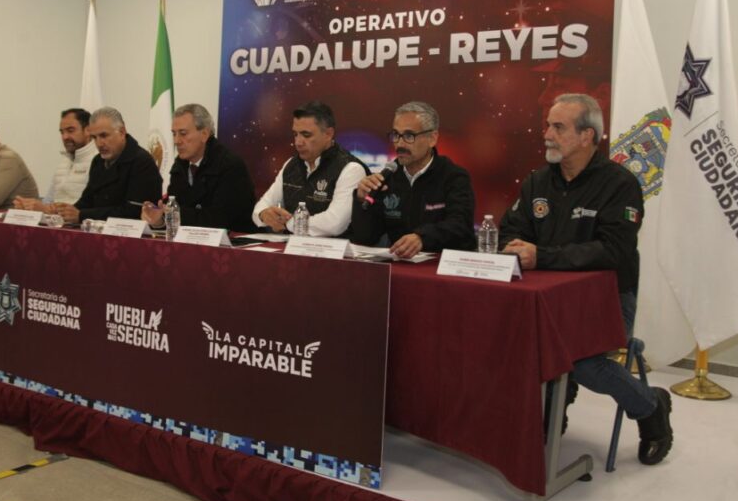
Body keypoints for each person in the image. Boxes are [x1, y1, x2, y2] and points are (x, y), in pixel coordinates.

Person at [499, 93, 673, 465]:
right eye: (548, 125)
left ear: (586, 136)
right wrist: (513, 247)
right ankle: (554, 404)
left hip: (608, 298)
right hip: (546, 297)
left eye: (558, 127)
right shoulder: (537, 181)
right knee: (512, 342)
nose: (547, 134)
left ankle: (651, 407)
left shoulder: (620, 184)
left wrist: (542, 256)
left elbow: (613, 251)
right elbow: (510, 229)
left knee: (582, 362)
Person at [350, 101, 475, 257]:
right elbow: (365, 238)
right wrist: (361, 200)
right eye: (396, 135)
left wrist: (422, 238)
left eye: (409, 135)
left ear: (432, 138)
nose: (399, 143)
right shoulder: (388, 176)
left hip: (443, 265)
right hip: (399, 265)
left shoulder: (454, 176)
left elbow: (460, 226)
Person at [252, 101, 367, 237]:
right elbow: (260, 208)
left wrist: (288, 223)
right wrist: (264, 215)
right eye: (295, 134)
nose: (298, 142)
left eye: (306, 135)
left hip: (336, 249)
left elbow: (335, 224)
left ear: (328, 134)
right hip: (293, 246)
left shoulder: (351, 169)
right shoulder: (291, 164)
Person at [140, 103, 256, 233]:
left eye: (183, 133)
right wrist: (158, 219)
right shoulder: (180, 165)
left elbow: (220, 219)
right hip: (193, 239)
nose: (176, 141)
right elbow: (173, 204)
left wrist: (174, 213)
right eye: (174, 134)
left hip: (234, 241)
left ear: (204, 134)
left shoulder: (230, 165)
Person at [53, 107, 161, 223]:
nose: (99, 143)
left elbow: (134, 212)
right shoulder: (98, 161)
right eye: (94, 137)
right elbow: (87, 201)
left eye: (104, 136)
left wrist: (82, 215)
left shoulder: (142, 162)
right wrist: (67, 212)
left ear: (122, 132)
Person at [13, 108, 97, 212]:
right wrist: (29, 207)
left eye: (70, 130)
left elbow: (90, 208)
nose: (65, 137)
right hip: (56, 220)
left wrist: (47, 209)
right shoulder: (64, 162)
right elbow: (48, 201)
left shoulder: (99, 160)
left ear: (88, 130)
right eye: (62, 132)